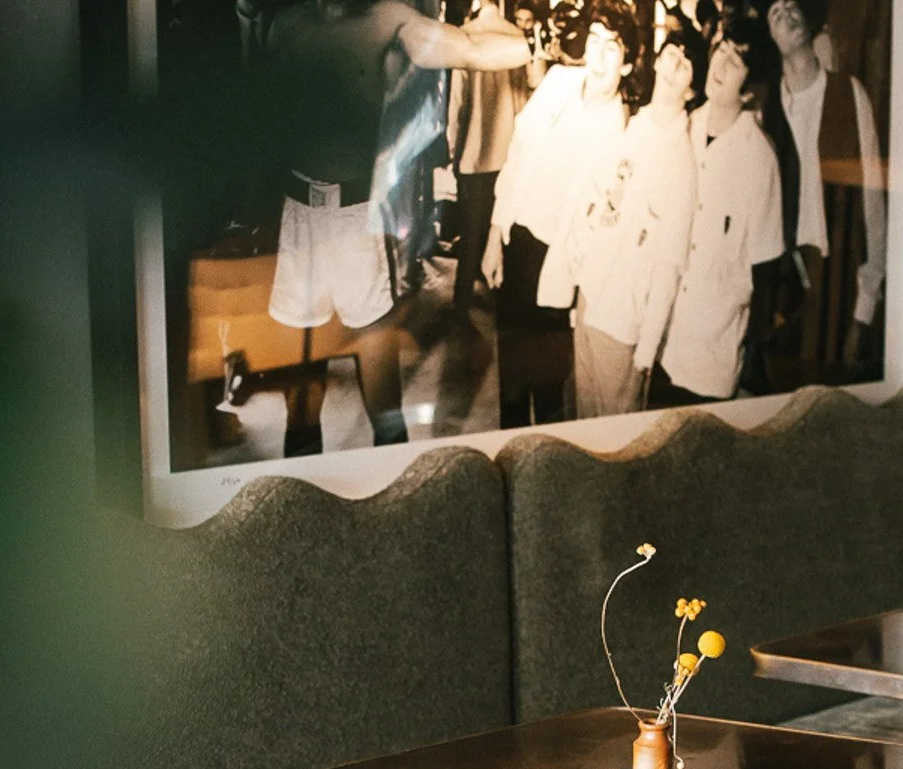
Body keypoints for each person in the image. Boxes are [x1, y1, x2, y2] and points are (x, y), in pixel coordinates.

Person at [265, 0, 531, 451]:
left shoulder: (387, 20)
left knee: (380, 383)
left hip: (354, 218)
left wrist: (499, 22)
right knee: (300, 387)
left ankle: (396, 477)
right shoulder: (285, 24)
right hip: (297, 214)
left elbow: (488, 51)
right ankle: (302, 488)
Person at [482, 0, 635, 426]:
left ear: (626, 64)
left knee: (550, 388)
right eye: (595, 41)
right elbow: (519, 151)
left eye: (613, 48)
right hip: (519, 241)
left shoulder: (620, 131)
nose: (599, 56)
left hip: (561, 262)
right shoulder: (560, 82)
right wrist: (496, 233)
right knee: (511, 380)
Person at [556, 23, 703, 416]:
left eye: (688, 62)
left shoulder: (682, 162)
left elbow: (670, 266)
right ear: (657, 60)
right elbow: (605, 204)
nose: (677, 60)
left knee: (616, 442)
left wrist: (646, 354)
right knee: (583, 430)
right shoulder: (635, 124)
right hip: (590, 297)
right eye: (673, 51)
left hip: (624, 321)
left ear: (691, 89)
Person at [654, 16, 785, 405]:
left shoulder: (760, 157)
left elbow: (764, 268)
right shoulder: (685, 127)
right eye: (720, 51)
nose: (720, 65)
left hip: (714, 349)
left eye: (736, 62)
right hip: (661, 336)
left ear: (749, 90)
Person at [765, 0, 886, 383]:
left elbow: (873, 209)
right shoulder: (769, 109)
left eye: (792, 6)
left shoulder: (849, 94)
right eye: (775, 12)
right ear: (770, 35)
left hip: (838, 285)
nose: (787, 14)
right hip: (785, 292)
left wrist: (863, 312)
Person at [446, 2, 534, 310]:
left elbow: (457, 105)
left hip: (474, 154)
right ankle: (504, 305)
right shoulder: (518, 37)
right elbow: (524, 102)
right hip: (509, 155)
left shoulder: (463, 37)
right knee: (506, 234)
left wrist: (454, 151)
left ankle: (461, 305)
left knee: (469, 236)